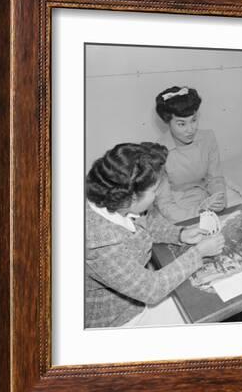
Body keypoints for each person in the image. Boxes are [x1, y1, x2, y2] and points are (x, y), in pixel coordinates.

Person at [85, 142, 225, 328]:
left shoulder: (117, 202)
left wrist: (180, 234)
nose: (157, 195)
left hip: (136, 292)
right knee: (205, 307)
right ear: (132, 197)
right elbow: (152, 289)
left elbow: (146, 221)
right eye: (153, 191)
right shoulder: (100, 244)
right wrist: (198, 253)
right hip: (118, 318)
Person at [153, 86, 227, 222]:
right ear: (167, 123)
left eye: (193, 120)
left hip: (205, 199)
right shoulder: (158, 153)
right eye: (182, 124)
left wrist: (219, 198)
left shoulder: (208, 138)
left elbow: (215, 178)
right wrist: (199, 211)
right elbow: (165, 203)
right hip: (176, 210)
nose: (190, 130)